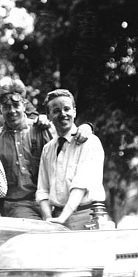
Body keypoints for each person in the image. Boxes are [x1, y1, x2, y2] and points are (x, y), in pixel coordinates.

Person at [0, 80, 94, 219]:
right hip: (18, 205)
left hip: (52, 201)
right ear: (0, 109)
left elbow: (69, 142)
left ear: (24, 105)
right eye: (6, 107)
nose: (12, 111)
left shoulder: (41, 129)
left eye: (16, 105)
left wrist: (87, 127)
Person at [36, 89, 106, 230]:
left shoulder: (89, 141)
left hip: (86, 215)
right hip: (56, 218)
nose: (63, 114)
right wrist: (49, 218)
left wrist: (63, 218)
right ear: (48, 116)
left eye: (67, 109)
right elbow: (42, 189)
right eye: (56, 111)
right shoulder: (48, 149)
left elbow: (80, 184)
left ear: (74, 111)